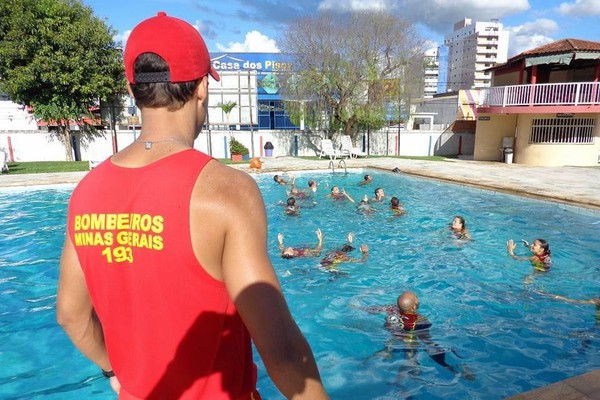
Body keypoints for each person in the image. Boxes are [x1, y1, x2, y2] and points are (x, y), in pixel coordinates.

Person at [56, 12, 327, 400]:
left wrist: (115, 370)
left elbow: (71, 314)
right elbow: (282, 352)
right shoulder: (226, 191)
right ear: (201, 89)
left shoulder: (86, 192)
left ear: (133, 91)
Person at [366, 291, 473, 380]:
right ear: (413, 307)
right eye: (416, 298)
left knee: (395, 339)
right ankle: (453, 369)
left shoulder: (392, 309)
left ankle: (387, 351)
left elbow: (373, 310)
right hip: (409, 340)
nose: (418, 299)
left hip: (394, 335)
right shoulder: (420, 320)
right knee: (425, 347)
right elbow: (427, 341)